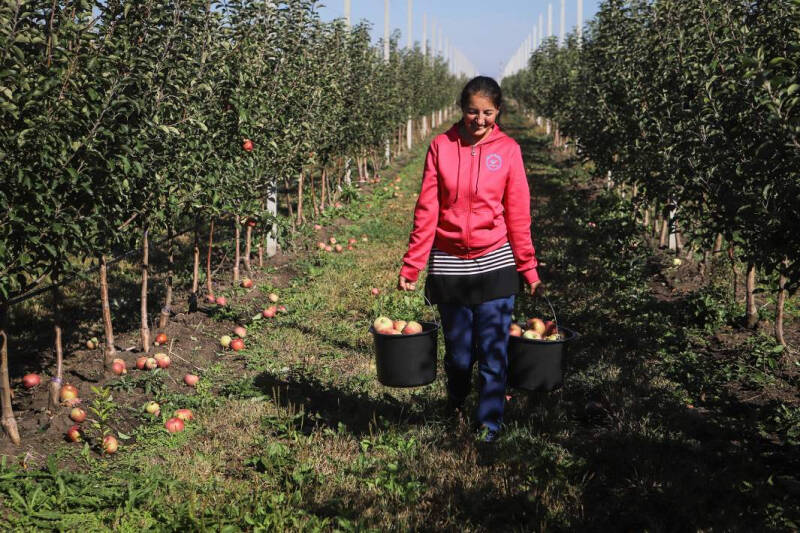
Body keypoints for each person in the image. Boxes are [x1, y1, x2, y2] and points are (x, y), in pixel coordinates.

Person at [397, 76, 541, 442]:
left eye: (487, 113)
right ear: (462, 110)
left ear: (498, 112)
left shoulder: (508, 150)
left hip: (495, 260)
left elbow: (518, 213)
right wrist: (413, 264)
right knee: (460, 356)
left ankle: (489, 425)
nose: (479, 120)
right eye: (473, 112)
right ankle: (457, 399)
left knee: (494, 352)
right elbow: (427, 209)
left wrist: (527, 266)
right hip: (450, 263)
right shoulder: (441, 147)